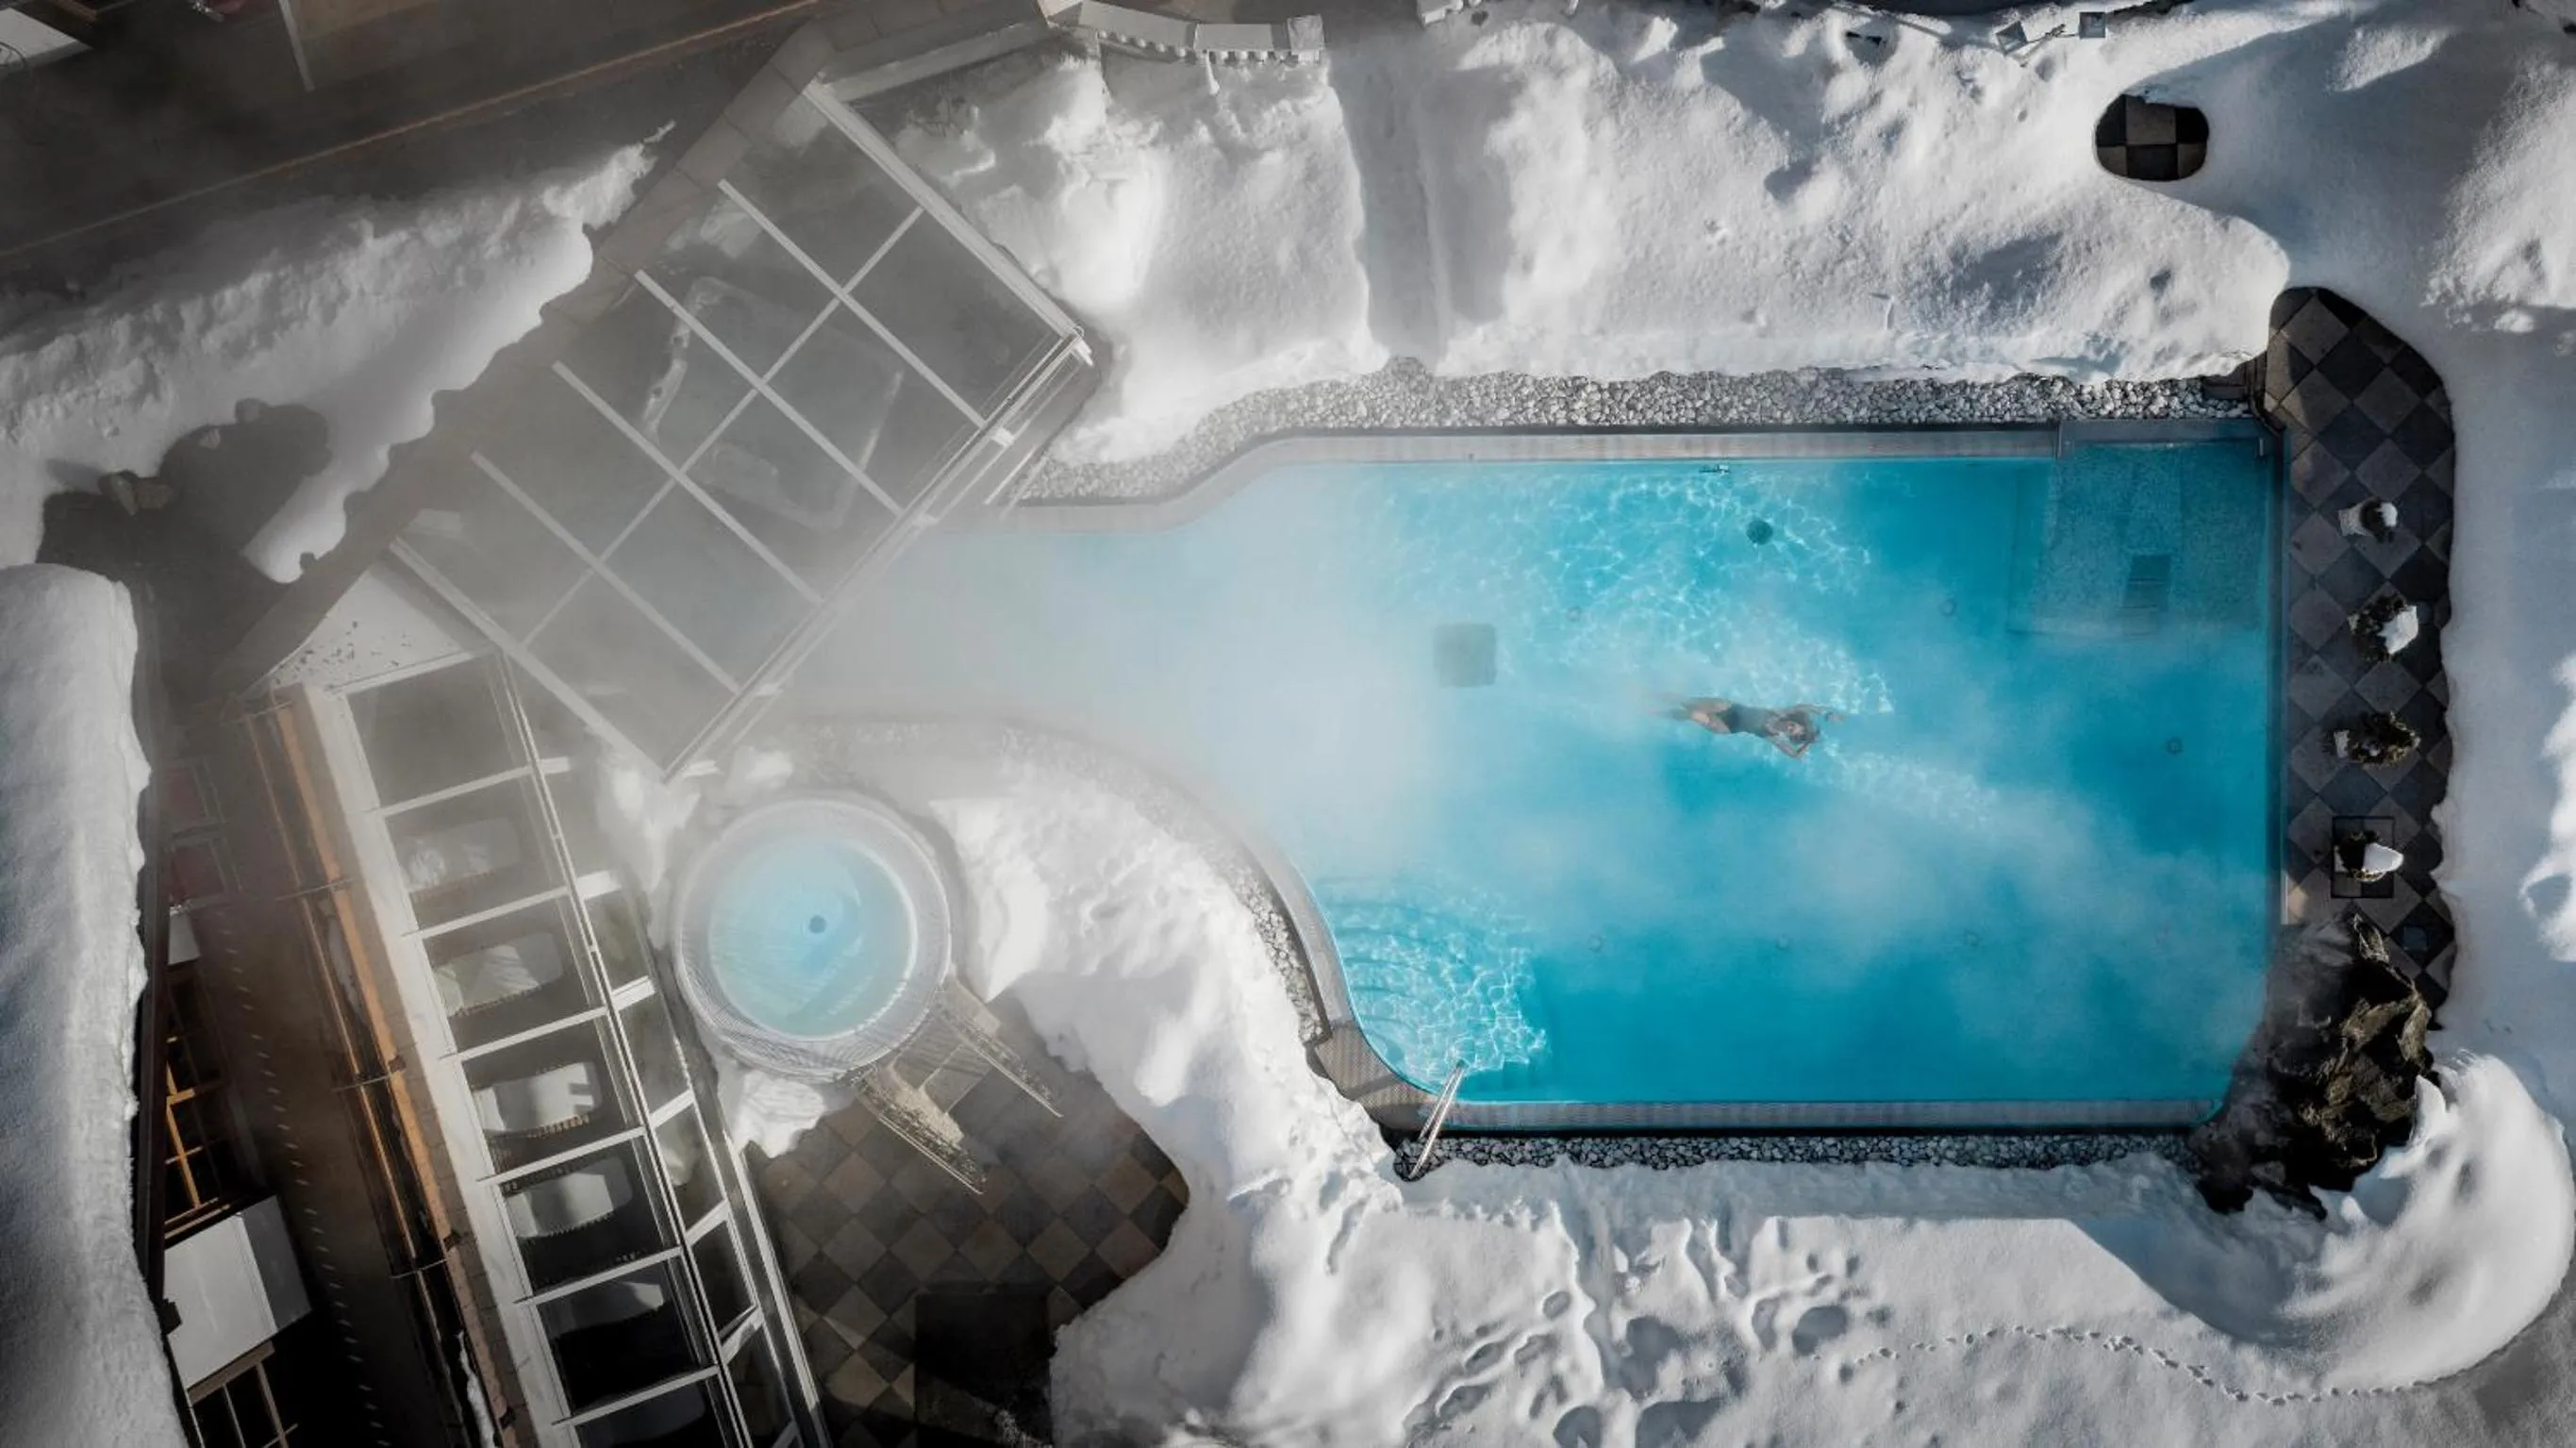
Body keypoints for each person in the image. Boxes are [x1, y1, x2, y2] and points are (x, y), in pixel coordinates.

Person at [1666, 696, 1840, 758]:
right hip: (1728, 708)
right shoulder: (1780, 713)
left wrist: (1807, 742)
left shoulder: (1772, 736)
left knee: (1691, 715)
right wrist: (1826, 713)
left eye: (1792, 731)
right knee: (1687, 703)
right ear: (1795, 721)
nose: (1791, 727)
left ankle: (1657, 712)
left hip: (1726, 726)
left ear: (1789, 736)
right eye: (1794, 725)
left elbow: (1794, 755)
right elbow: (1804, 707)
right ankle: (1656, 695)